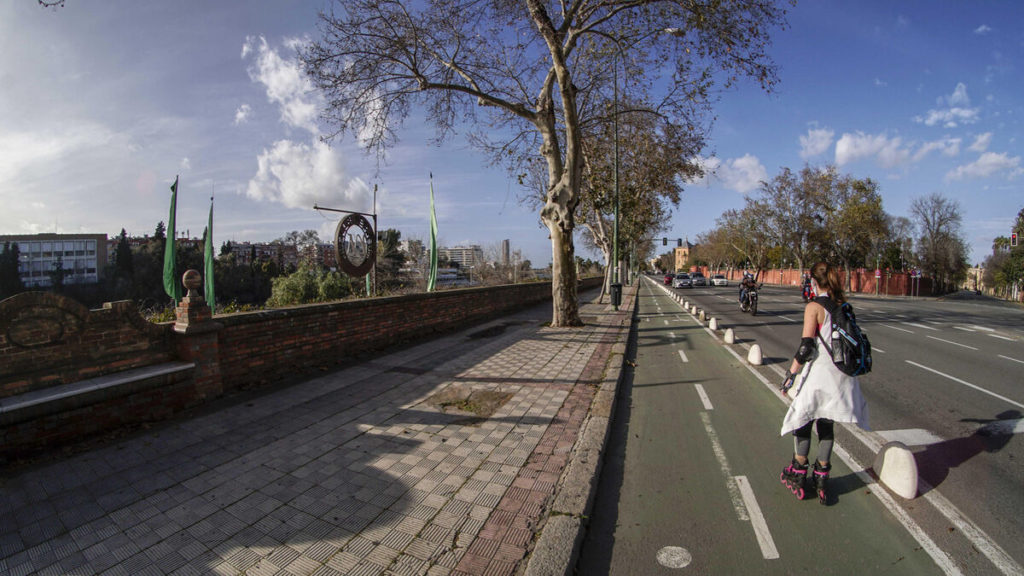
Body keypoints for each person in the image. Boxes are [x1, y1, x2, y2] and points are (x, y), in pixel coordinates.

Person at [779, 261, 869, 504]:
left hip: (820, 374)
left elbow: (807, 347)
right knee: (826, 425)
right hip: (841, 377)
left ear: (813, 281)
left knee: (803, 419)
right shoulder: (843, 305)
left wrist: (791, 373)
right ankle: (822, 475)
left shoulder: (814, 306)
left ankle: (798, 471)